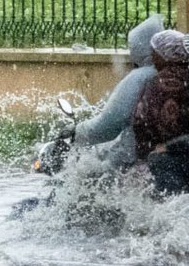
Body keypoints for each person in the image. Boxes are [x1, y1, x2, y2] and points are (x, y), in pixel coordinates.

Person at [70, 13, 164, 165]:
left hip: (136, 156)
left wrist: (76, 131)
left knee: (94, 174)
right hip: (169, 151)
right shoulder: (176, 73)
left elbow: (109, 124)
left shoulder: (139, 77)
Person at [132, 29, 189, 193]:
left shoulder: (158, 83)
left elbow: (142, 121)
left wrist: (168, 146)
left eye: (154, 52)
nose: (152, 57)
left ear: (166, 54)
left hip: (164, 159)